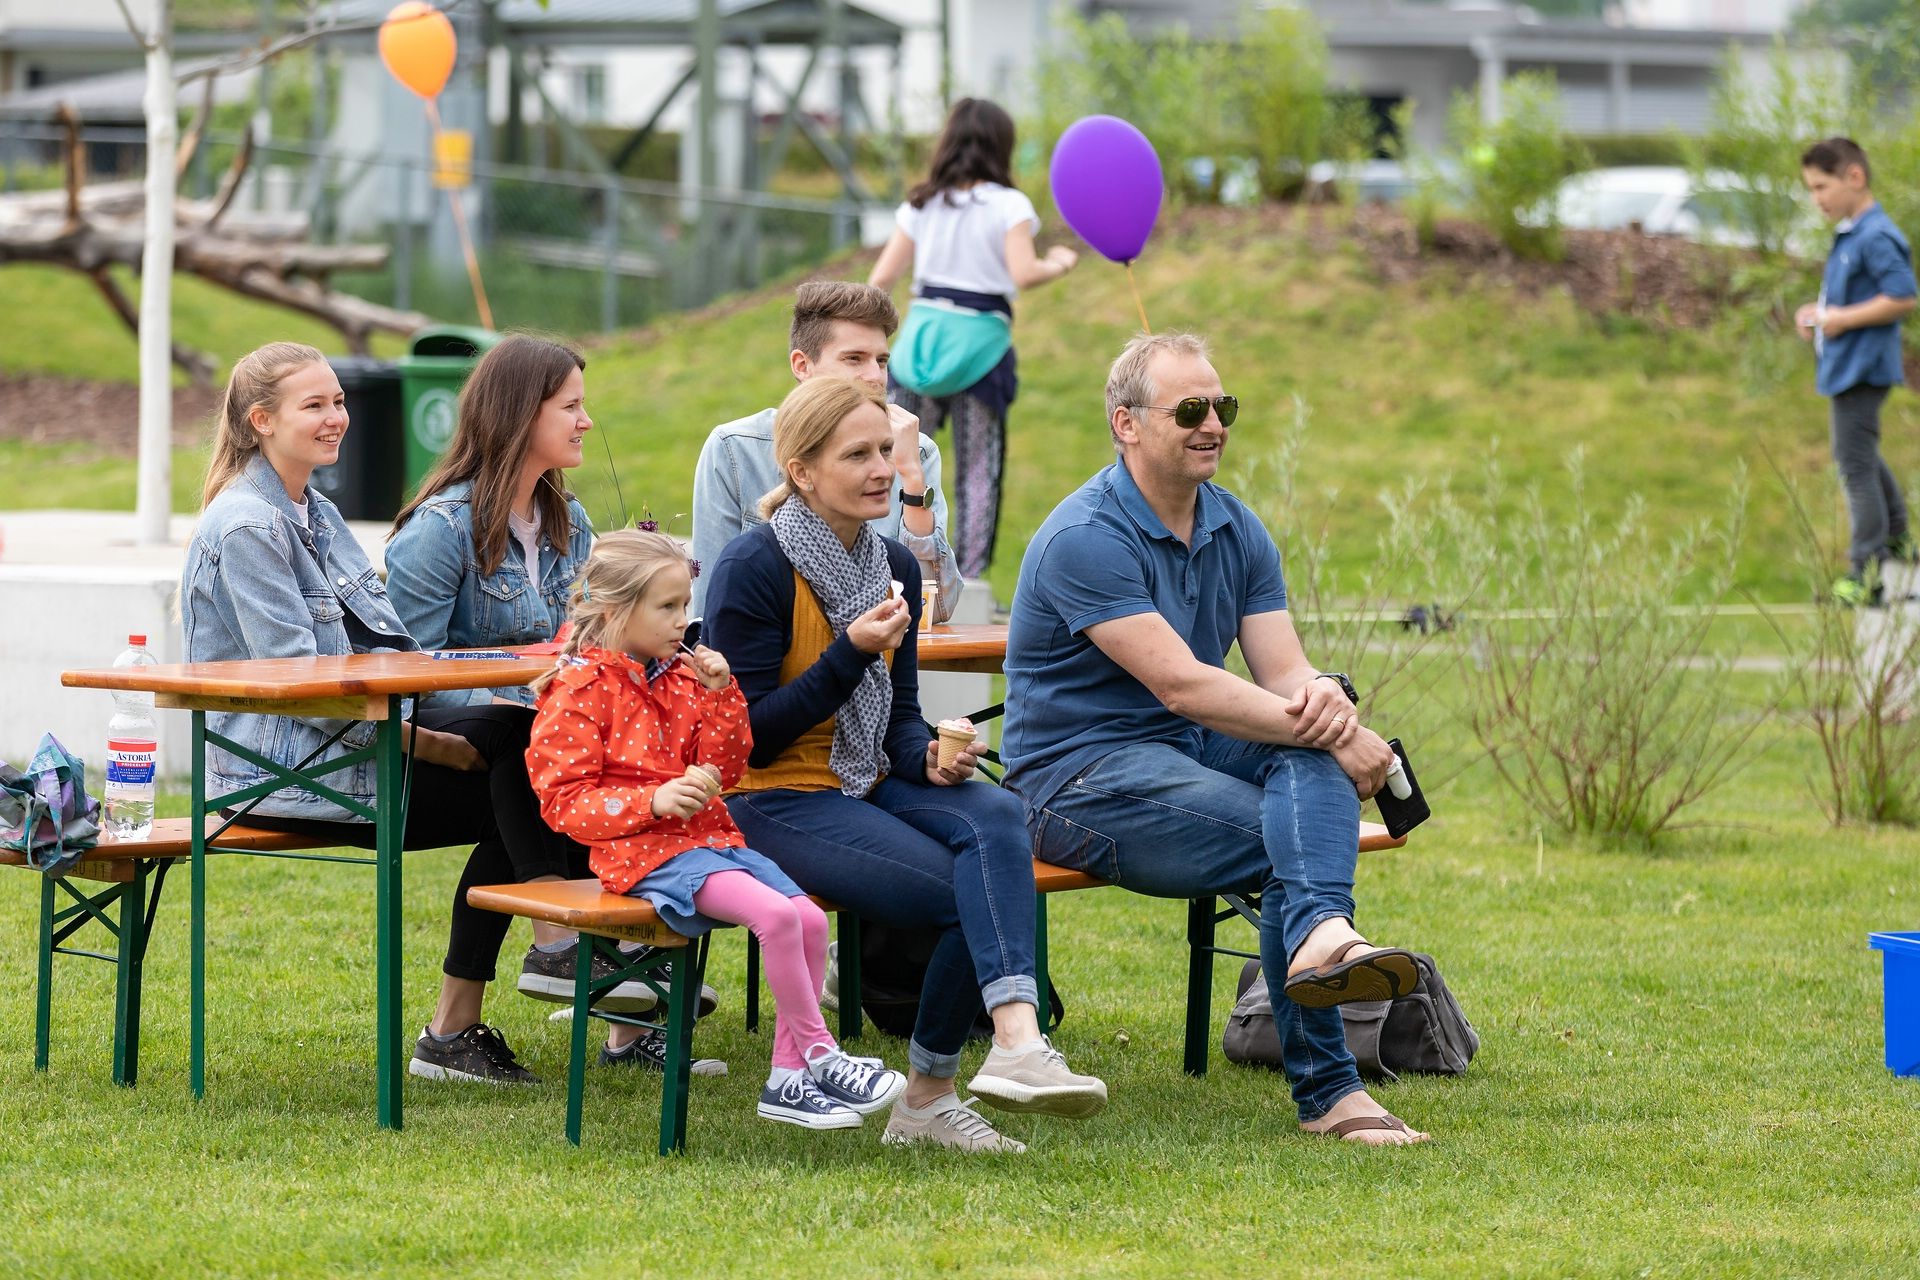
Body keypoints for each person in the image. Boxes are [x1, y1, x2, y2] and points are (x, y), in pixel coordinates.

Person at [1001, 332, 1432, 1146]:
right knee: (1286, 836)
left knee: (1306, 759)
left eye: (1222, 406)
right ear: (1127, 424)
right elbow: (1184, 685)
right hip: (1073, 779)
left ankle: (1321, 937)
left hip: (1183, 748)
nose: (1214, 425)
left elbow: (1284, 671)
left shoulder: (1236, 526)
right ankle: (1329, 1087)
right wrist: (1343, 736)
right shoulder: (1084, 536)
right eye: (1191, 409)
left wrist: (1325, 705)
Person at [705, 375, 1108, 1154]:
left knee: (997, 813)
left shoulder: (892, 562)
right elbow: (746, 740)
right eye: (857, 455)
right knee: (965, 895)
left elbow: (898, 721)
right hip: (773, 795)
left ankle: (1016, 1042)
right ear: (802, 471)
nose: (882, 470)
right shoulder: (753, 566)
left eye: (885, 450)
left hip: (866, 778)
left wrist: (929, 756)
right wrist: (850, 653)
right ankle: (930, 1096)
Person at [181, 342, 565, 1086]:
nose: (338, 417)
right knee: (528, 783)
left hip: (349, 751)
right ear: (261, 420)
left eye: (339, 401)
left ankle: (524, 974)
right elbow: (307, 688)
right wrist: (429, 743)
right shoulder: (247, 526)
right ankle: (532, 961)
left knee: (526, 742)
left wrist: (495, 690)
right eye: (315, 405)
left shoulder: (316, 511)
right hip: (280, 775)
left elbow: (394, 653)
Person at [525, 529, 908, 1129]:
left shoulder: (682, 678)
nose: (684, 620)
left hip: (712, 843)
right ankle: (820, 1054)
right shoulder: (577, 691)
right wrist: (652, 800)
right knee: (777, 917)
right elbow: (564, 804)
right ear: (616, 610)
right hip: (645, 858)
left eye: (685, 603)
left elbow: (729, 768)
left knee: (808, 917)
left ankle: (787, 1079)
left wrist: (723, 695)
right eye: (668, 607)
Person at [385, 335, 692, 1069]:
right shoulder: (439, 530)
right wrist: (530, 699)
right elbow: (406, 674)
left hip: (527, 748)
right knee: (535, 751)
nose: (587, 421)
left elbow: (589, 642)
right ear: (521, 415)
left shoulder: (568, 522)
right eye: (571, 407)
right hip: (429, 749)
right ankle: (565, 952)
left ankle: (461, 1030)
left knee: (563, 763)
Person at [869, 96, 1078, 579]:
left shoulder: (921, 203)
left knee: (895, 455)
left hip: (919, 343)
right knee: (978, 468)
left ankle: (885, 564)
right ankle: (968, 578)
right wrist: (1060, 262)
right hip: (981, 346)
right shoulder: (1009, 204)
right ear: (1002, 146)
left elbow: (881, 280)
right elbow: (1023, 272)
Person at [691, 281, 961, 622]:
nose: (875, 376)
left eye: (881, 361)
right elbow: (710, 611)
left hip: (889, 654)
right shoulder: (735, 449)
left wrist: (912, 480)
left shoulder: (914, 451)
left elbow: (935, 610)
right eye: (854, 359)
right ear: (802, 365)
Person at [1794, 137, 1918, 606]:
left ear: (1855, 177)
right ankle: (1899, 539)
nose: (1816, 199)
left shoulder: (1875, 235)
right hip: (1846, 368)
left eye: (1821, 186)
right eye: (1810, 189)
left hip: (1862, 370)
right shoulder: (1852, 234)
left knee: (1854, 466)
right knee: (1860, 455)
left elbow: (1902, 296)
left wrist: (1842, 319)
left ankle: (1866, 575)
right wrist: (1817, 314)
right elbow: (1849, 299)